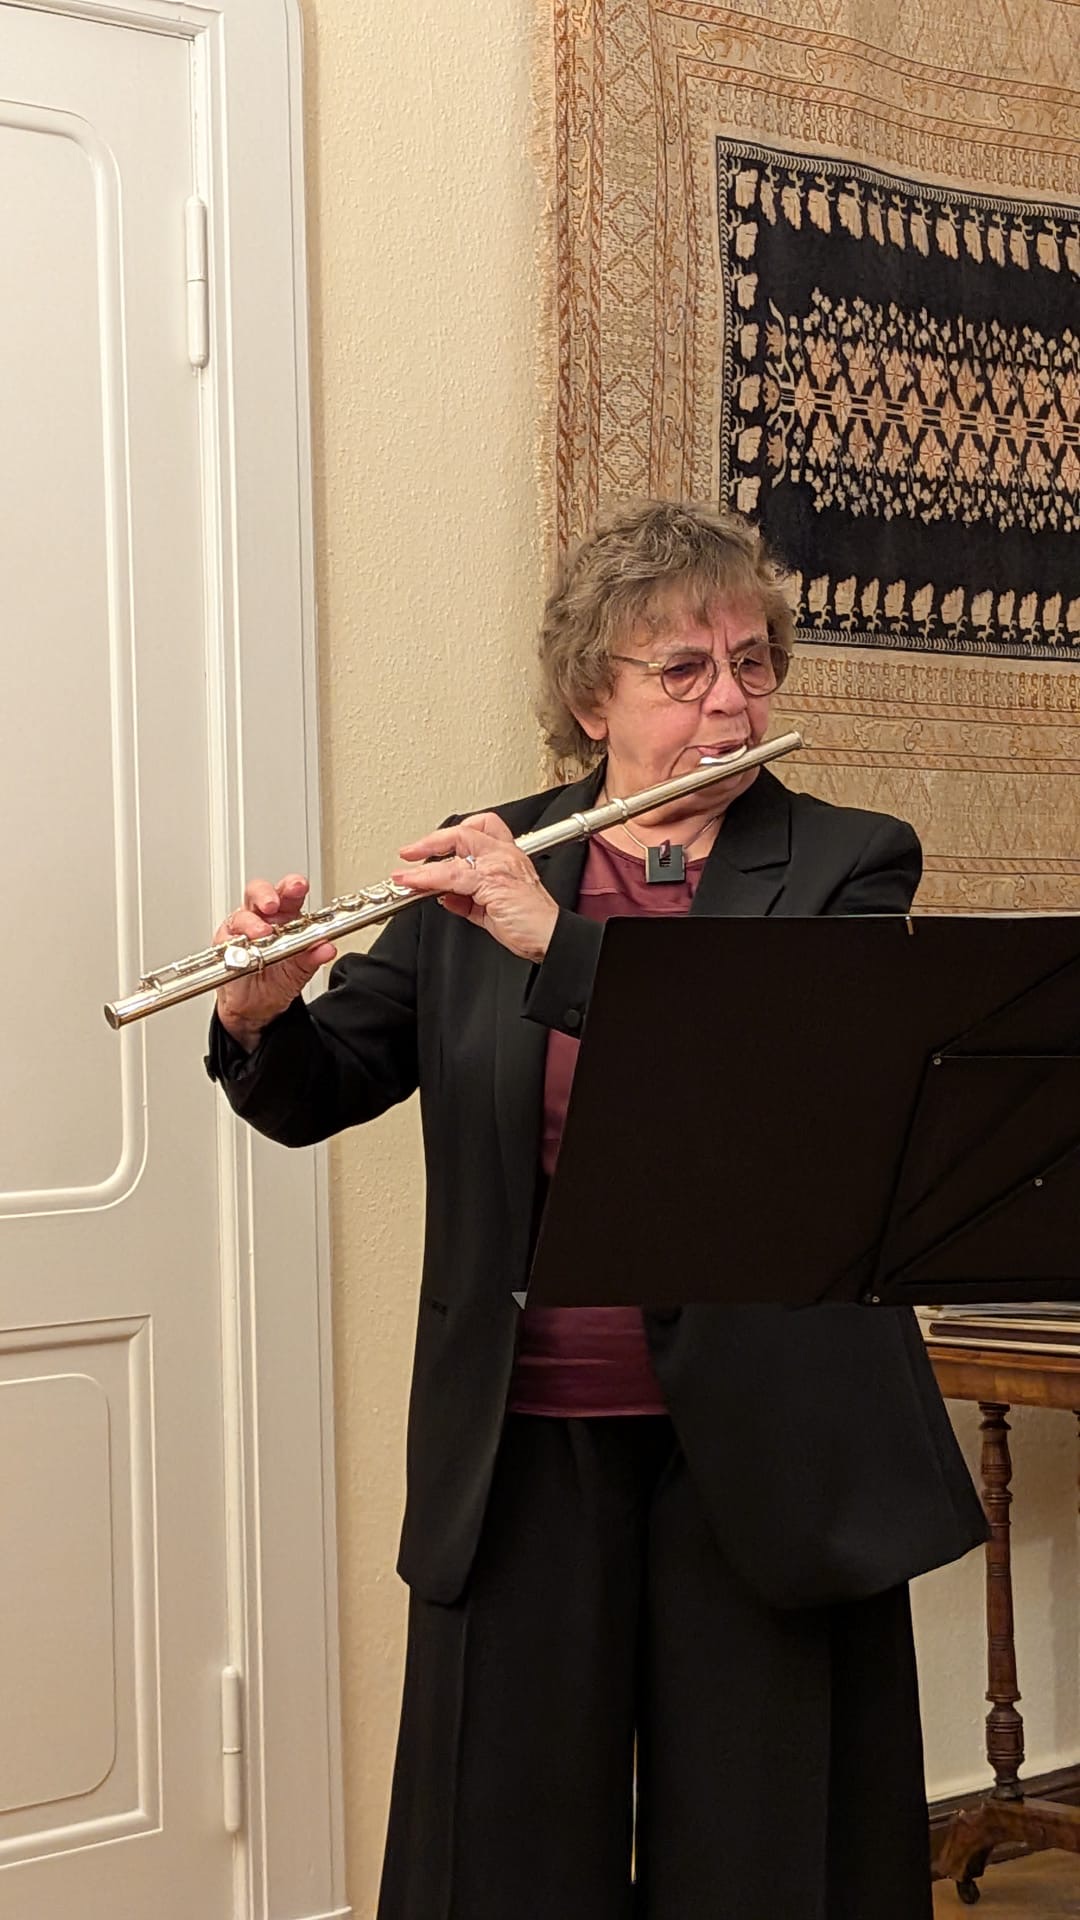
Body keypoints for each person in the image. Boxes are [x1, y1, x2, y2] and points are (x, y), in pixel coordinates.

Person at [206, 501, 987, 1920]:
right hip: (521, 1442)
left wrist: (555, 943)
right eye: (682, 670)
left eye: (752, 663)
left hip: (768, 1442)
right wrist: (262, 1015)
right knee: (502, 1856)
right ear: (591, 698)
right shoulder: (488, 856)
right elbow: (329, 1085)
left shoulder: (850, 860)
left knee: (766, 1860)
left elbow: (781, 1096)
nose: (730, 702)